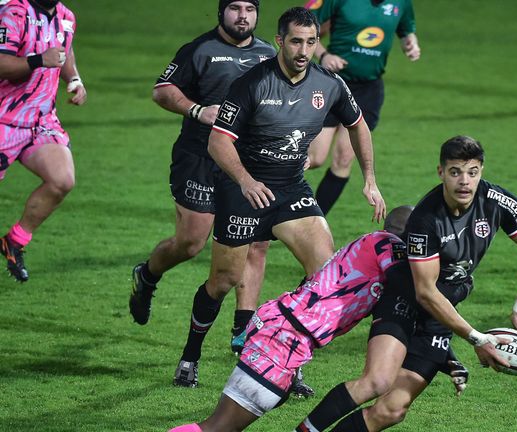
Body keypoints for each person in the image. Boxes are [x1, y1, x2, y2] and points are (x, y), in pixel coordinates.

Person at [171, 6, 386, 389]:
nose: (303, 50)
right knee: (224, 280)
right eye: (296, 42)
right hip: (244, 189)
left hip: (289, 188)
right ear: (279, 42)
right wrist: (245, 180)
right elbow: (219, 142)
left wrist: (369, 179)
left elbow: (358, 125)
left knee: (325, 275)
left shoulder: (329, 84)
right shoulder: (252, 83)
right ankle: (190, 355)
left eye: (310, 42)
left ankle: (289, 360)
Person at [296, 136, 517, 432]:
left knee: (392, 411)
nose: (464, 181)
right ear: (441, 172)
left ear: (481, 170)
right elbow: (426, 292)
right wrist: (477, 339)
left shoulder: (496, 201)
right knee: (376, 381)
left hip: (441, 316)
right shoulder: (426, 220)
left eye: (472, 171)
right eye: (455, 171)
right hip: (405, 301)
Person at [168, 206, 413, 432]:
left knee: (242, 417)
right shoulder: (387, 244)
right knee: (218, 427)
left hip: (286, 332)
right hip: (283, 339)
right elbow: (411, 288)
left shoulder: (370, 253)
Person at [129, 0, 274, 353]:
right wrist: (196, 110)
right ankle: (148, 275)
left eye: (250, 9)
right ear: (221, 12)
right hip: (199, 159)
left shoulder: (269, 54)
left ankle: (242, 331)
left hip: (246, 162)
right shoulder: (200, 49)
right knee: (191, 243)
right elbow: (161, 90)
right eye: (235, 8)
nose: (243, 16)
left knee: (256, 244)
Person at [304, 0, 420, 215]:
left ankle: (312, 220)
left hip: (368, 90)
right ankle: (266, 184)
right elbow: (303, 26)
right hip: (332, 84)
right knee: (316, 157)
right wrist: (324, 55)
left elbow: (407, 31)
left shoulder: (401, 2)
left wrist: (410, 44)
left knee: (344, 158)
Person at [0, 0, 86, 282]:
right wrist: (39, 59)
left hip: (41, 121)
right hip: (3, 118)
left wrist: (73, 78)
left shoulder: (65, 16)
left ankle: (14, 241)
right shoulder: (15, 12)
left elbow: (64, 48)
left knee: (62, 179)